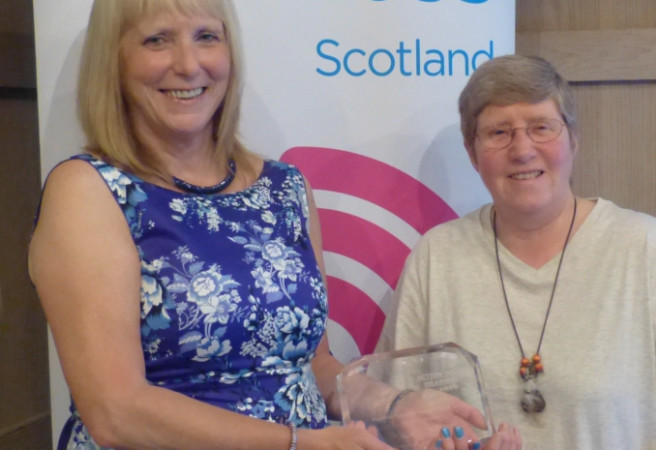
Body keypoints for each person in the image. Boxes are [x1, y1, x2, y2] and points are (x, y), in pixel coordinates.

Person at [28, 1, 397, 448]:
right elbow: (115, 411)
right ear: (115, 60)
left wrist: (397, 405)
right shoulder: (88, 191)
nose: (189, 64)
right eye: (157, 40)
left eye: (206, 37)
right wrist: (300, 444)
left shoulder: (285, 186)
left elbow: (314, 365)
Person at [377, 54, 656, 449]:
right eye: (498, 133)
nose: (522, 150)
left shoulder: (646, 250)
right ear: (472, 154)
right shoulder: (436, 258)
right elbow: (395, 424)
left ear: (573, 139)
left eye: (541, 127)